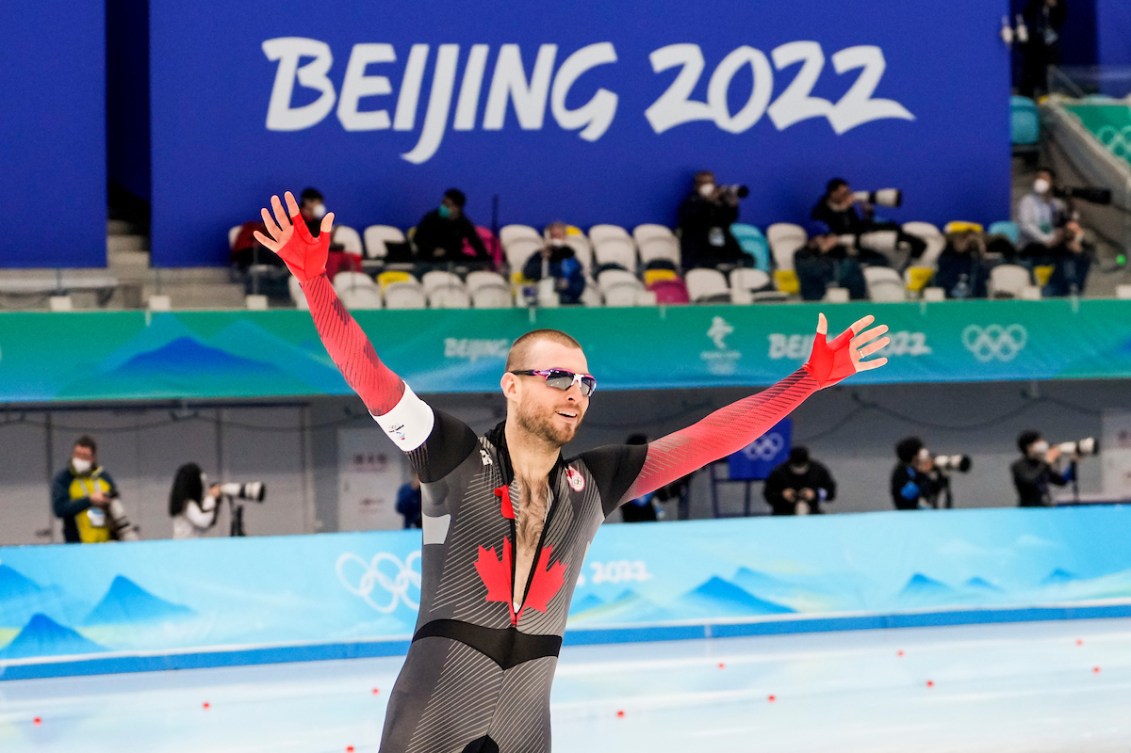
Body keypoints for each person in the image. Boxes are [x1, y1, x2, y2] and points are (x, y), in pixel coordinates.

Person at [253, 190, 889, 753]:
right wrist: (314, 281)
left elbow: (706, 440)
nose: (576, 391)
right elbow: (369, 373)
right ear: (511, 385)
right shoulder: (450, 455)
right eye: (557, 376)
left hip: (528, 726)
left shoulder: (595, 483)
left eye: (585, 381)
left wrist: (805, 382)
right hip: (434, 718)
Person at [810, 178, 924, 266]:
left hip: (859, 240)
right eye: (844, 193)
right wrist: (843, 211)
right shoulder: (820, 211)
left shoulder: (848, 207)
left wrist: (867, 214)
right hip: (839, 247)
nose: (848, 195)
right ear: (832, 193)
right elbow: (834, 232)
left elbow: (855, 225)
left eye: (848, 192)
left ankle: (913, 265)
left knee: (901, 239)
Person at [1016, 168, 1091, 296]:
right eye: (1038, 178)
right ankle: (1051, 289)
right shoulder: (1027, 202)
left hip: (1055, 243)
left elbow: (1063, 224)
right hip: (1033, 245)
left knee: (1081, 254)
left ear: (1052, 182)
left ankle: (1074, 287)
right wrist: (1046, 240)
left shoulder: (1056, 204)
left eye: (1044, 179)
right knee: (1046, 250)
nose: (1040, 181)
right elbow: (1025, 225)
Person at [51, 435, 136, 543]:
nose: (80, 459)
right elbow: (59, 509)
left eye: (84, 456)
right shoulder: (64, 478)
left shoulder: (103, 477)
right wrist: (89, 500)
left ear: (92, 458)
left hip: (107, 543)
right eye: (77, 455)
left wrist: (107, 500)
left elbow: (116, 501)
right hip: (78, 544)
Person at [677, 170, 748, 269]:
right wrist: (706, 202)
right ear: (696, 185)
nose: (709, 186)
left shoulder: (719, 201)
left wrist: (732, 205)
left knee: (745, 259)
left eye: (711, 182)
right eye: (704, 183)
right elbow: (694, 222)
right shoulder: (691, 202)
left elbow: (729, 220)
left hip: (721, 243)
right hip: (699, 247)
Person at [412, 187, 491, 267]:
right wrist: (432, 250)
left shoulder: (463, 222)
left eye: (447, 205)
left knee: (473, 263)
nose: (442, 207)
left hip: (452, 258)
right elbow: (417, 238)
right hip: (429, 257)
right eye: (442, 203)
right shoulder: (431, 217)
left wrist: (486, 262)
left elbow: (476, 242)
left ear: (457, 208)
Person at [794, 220, 867, 301]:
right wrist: (822, 251)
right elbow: (814, 271)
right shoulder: (801, 254)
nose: (831, 240)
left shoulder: (836, 250)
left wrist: (850, 252)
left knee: (851, 265)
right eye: (825, 237)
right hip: (814, 294)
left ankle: (858, 300)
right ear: (813, 239)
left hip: (839, 287)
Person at [521, 222, 586, 305]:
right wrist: (544, 260)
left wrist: (568, 286)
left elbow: (579, 282)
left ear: (564, 237)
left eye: (559, 236)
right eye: (553, 236)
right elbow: (527, 273)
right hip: (544, 298)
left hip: (567, 299)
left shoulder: (571, 258)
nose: (556, 239)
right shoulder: (539, 255)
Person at [762, 446, 837, 516]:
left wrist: (815, 494)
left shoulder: (818, 470)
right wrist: (782, 495)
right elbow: (768, 494)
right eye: (796, 466)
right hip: (783, 514)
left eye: (802, 466)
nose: (799, 469)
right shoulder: (779, 472)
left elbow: (830, 492)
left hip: (812, 513)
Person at [1011, 430, 1074, 507]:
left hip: (1044, 507)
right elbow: (1031, 480)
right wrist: (1047, 462)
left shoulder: (1041, 464)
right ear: (1029, 447)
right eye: (1039, 442)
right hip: (1028, 509)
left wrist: (1073, 462)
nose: (1044, 444)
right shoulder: (1018, 466)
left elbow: (1062, 481)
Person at [1019, 0, 1067, 98]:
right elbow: (1025, 16)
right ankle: (1028, 95)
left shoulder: (1060, 7)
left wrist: (1053, 7)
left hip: (1049, 47)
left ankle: (1048, 93)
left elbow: (1060, 20)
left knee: (1048, 72)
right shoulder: (1036, 4)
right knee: (1030, 71)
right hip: (1034, 45)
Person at [934, 228, 992, 299]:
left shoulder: (975, 259)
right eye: (963, 237)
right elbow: (942, 280)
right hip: (949, 298)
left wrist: (980, 249)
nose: (968, 242)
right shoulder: (945, 257)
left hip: (975, 299)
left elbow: (983, 278)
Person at [169, 463, 223, 539]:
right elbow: (204, 522)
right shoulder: (187, 505)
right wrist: (211, 497)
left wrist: (215, 502)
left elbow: (201, 528)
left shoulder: (187, 504)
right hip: (185, 547)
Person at [890, 436, 941, 510]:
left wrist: (938, 476)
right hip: (908, 512)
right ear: (913, 456)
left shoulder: (917, 470)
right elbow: (908, 494)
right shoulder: (900, 471)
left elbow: (932, 490)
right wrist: (921, 475)